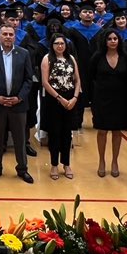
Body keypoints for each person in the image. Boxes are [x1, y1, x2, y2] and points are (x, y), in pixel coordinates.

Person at [0, 24, 34, 184]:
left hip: (18, 104)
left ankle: (22, 169)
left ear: (15, 37)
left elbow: (28, 79)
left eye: (11, 34)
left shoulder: (23, 54)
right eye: (5, 34)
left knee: (20, 139)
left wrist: (19, 97)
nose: (8, 37)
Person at [88, 28, 127, 178]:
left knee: (117, 131)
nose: (112, 41)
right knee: (102, 131)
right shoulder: (97, 57)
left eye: (115, 39)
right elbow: (90, 77)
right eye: (109, 39)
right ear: (104, 41)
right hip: (101, 99)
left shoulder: (126, 57)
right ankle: (101, 161)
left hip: (120, 99)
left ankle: (114, 161)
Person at [40, 33, 81, 180]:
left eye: (62, 43)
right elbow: (45, 82)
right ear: (52, 45)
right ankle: (54, 165)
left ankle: (66, 163)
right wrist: (60, 98)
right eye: (56, 43)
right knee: (55, 133)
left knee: (66, 133)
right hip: (54, 100)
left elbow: (77, 80)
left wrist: (75, 97)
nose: (60, 46)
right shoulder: (47, 59)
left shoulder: (71, 59)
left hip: (70, 100)